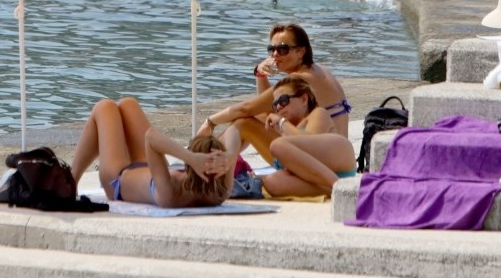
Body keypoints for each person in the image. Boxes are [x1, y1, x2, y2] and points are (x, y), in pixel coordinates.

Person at [198, 23, 353, 142]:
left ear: (301, 51)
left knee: (244, 123)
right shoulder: (319, 70)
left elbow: (246, 109)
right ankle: (216, 161)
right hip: (335, 155)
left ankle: (211, 164)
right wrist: (260, 74)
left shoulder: (299, 79)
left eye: (282, 49)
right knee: (260, 116)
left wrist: (211, 122)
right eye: (271, 49)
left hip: (321, 160)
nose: (275, 55)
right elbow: (268, 108)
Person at [71, 98, 233, 208]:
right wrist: (229, 159)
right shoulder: (221, 191)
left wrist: (190, 157)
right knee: (128, 103)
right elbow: (236, 133)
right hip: (149, 168)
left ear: (193, 166)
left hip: (118, 178)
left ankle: (72, 180)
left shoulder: (172, 193)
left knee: (105, 107)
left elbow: (151, 137)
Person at [215, 77, 357, 197]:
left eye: (283, 100)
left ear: (304, 99)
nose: (279, 107)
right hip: (317, 178)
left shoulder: (318, 114)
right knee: (272, 182)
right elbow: (246, 121)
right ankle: (220, 174)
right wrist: (260, 76)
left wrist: (282, 123)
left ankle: (340, 186)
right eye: (275, 105)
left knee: (278, 145)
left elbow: (308, 146)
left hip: (338, 162)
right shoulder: (288, 127)